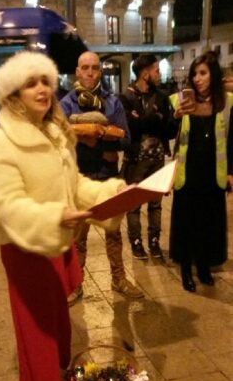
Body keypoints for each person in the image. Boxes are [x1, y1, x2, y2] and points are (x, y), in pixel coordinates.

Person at [0, 51, 125, 381]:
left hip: (55, 242)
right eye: (31, 83)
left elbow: (73, 186)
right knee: (37, 333)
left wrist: (110, 194)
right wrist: (54, 217)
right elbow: (9, 206)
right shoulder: (1, 141)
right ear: (13, 93)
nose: (42, 89)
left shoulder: (55, 131)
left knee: (59, 324)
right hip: (26, 247)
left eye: (45, 80)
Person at [61, 51, 143, 301]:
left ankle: (118, 279)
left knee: (114, 233)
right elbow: (58, 140)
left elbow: (127, 140)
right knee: (78, 237)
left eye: (94, 68)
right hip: (80, 178)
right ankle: (76, 283)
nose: (89, 72)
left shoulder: (112, 102)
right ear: (77, 71)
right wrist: (83, 135)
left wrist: (103, 136)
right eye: (84, 67)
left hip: (107, 176)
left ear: (100, 71)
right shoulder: (66, 104)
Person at [169, 51, 233, 292]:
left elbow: (232, 140)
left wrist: (231, 172)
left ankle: (204, 266)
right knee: (187, 223)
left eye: (203, 73)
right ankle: (186, 269)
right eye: (194, 74)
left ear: (213, 75)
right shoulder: (180, 100)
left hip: (213, 174)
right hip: (188, 174)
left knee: (209, 222)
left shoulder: (227, 102)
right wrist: (175, 116)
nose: (197, 78)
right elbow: (166, 131)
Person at [119, 54, 174, 259]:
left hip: (157, 159)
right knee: (133, 204)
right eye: (157, 70)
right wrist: (154, 118)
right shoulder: (125, 97)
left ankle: (154, 241)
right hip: (134, 160)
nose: (160, 75)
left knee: (155, 203)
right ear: (145, 74)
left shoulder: (162, 97)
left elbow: (168, 130)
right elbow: (130, 128)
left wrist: (149, 119)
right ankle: (136, 241)